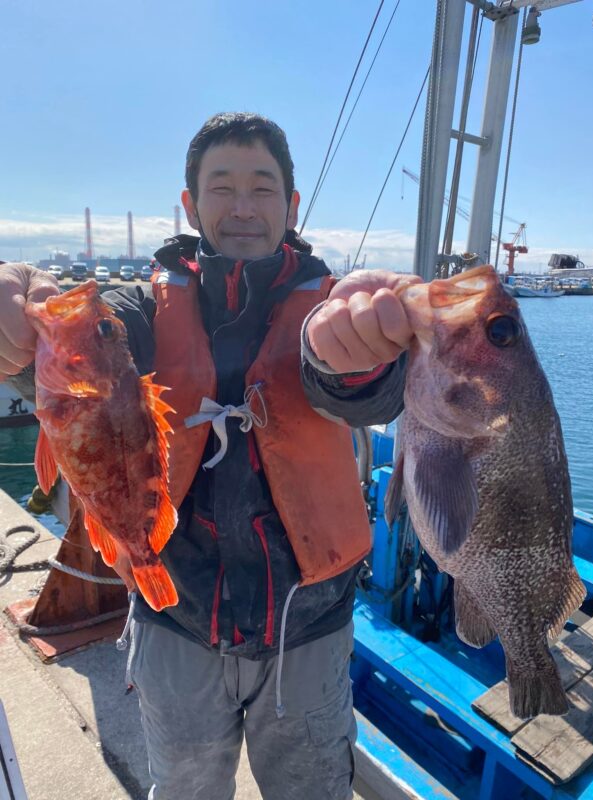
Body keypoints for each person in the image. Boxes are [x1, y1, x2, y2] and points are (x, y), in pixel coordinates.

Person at [0, 112, 416, 800]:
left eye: (263, 186)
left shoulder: (329, 310)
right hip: (177, 626)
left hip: (308, 630)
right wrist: (17, 305)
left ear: (291, 204)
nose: (244, 206)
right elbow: (82, 353)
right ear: (190, 205)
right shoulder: (137, 307)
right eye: (221, 187)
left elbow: (361, 390)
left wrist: (365, 360)